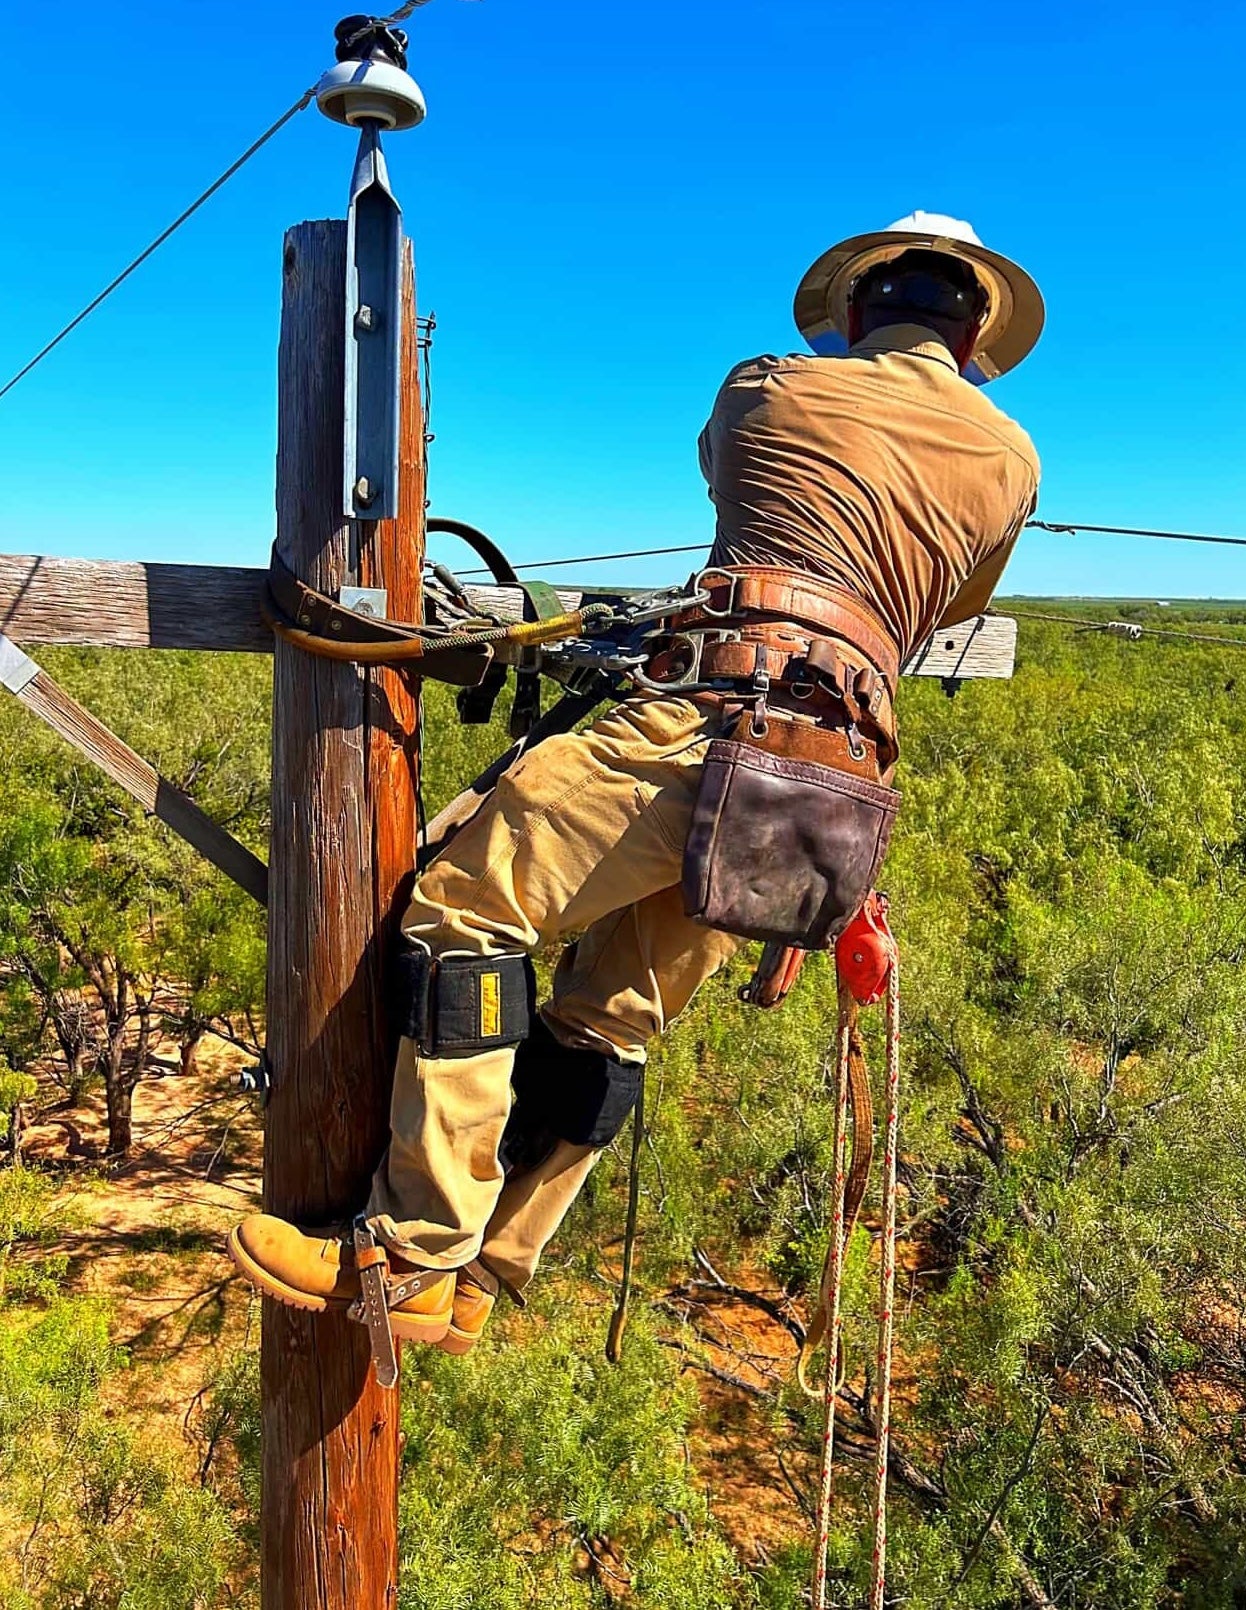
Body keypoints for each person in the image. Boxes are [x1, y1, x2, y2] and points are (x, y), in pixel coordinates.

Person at [228, 210, 1043, 1356]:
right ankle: (495, 1256)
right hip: (837, 778)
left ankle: (416, 1252)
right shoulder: (1012, 458)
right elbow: (952, 600)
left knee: (468, 909)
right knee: (618, 1011)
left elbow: (729, 474)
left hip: (709, 713)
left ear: (856, 313)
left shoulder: (767, 386)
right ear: (971, 337)